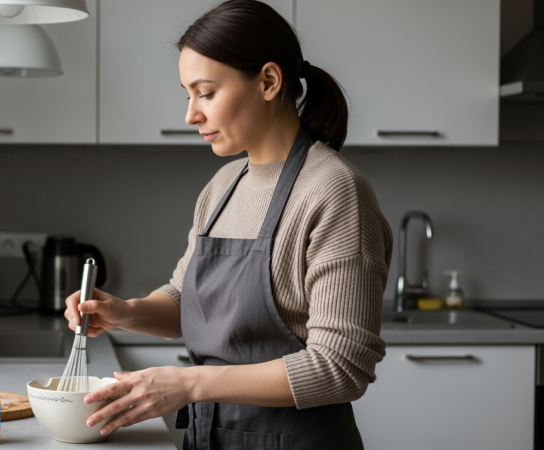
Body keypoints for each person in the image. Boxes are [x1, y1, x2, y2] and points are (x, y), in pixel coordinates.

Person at [64, 1, 393, 448]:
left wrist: (192, 384)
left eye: (206, 93)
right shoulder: (223, 186)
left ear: (269, 82)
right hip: (211, 437)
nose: (190, 115)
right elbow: (187, 300)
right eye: (187, 94)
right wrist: (125, 312)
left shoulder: (333, 190)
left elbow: (340, 368)